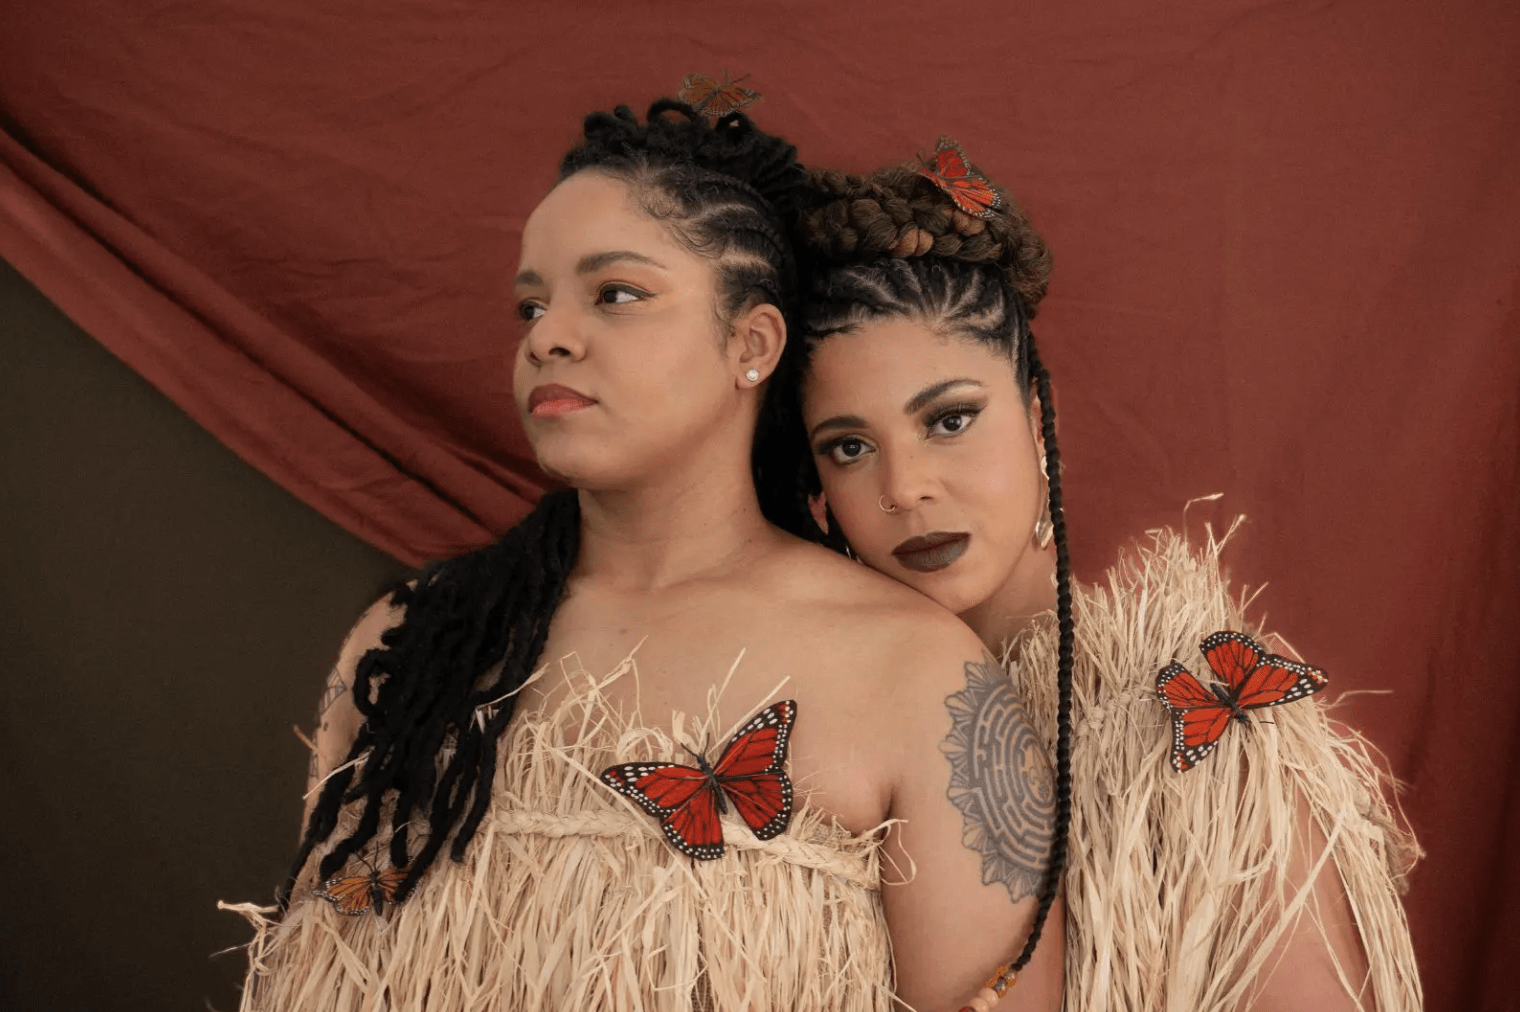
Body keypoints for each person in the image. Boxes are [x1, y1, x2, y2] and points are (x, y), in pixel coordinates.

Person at [227, 103, 1064, 1012]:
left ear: (752, 344)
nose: (547, 335)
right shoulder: (414, 641)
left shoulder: (918, 672)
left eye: (616, 294)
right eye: (532, 304)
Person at [765, 146, 1423, 1011]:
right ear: (819, 493)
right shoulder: (821, 736)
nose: (906, 487)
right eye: (850, 447)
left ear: (1040, 421)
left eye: (951, 419)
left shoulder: (1190, 720)